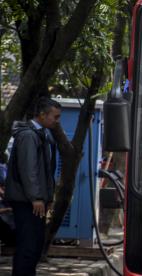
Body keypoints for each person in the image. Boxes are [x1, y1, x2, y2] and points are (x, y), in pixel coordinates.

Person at [4, 97, 61, 276]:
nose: (57, 121)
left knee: (35, 244)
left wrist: (48, 197)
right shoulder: (29, 136)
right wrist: (36, 197)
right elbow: (29, 170)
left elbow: (45, 171)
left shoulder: (42, 134)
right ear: (42, 115)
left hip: (34, 200)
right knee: (28, 246)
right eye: (55, 116)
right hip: (27, 200)